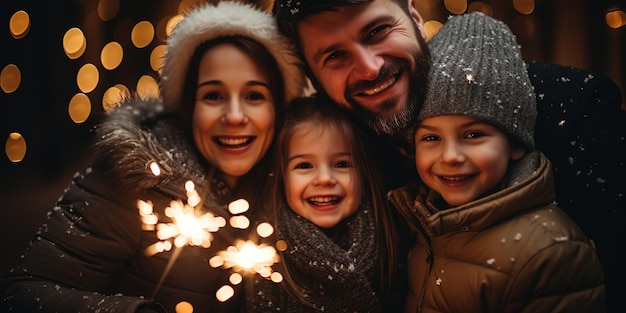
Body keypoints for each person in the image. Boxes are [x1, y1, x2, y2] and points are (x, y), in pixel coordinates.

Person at [272, 1, 625, 310]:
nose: (369, 68)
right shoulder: (341, 143)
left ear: (412, 15)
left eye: (377, 30)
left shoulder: (572, 110)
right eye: (334, 55)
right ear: (313, 76)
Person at [0, 2, 307, 312]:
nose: (234, 116)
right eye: (213, 95)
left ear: (278, 108)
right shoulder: (131, 179)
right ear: (188, 108)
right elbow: (23, 294)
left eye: (254, 96)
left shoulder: (300, 183)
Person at [387, 12, 606, 312]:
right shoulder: (423, 224)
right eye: (431, 138)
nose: (450, 156)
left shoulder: (549, 252)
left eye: (473, 134)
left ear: (515, 143)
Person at [251, 95, 402, 312]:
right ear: (281, 177)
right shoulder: (262, 257)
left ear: (364, 173)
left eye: (341, 164)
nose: (324, 179)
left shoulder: (394, 243)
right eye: (304, 166)